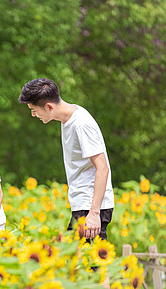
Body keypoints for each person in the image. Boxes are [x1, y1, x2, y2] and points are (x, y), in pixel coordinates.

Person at [18, 78, 114, 240]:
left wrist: (94, 213)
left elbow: (102, 167)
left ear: (49, 106)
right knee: (74, 260)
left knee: (85, 262)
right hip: (83, 204)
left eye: (33, 110)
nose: (33, 115)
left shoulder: (81, 124)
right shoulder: (69, 120)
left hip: (90, 207)